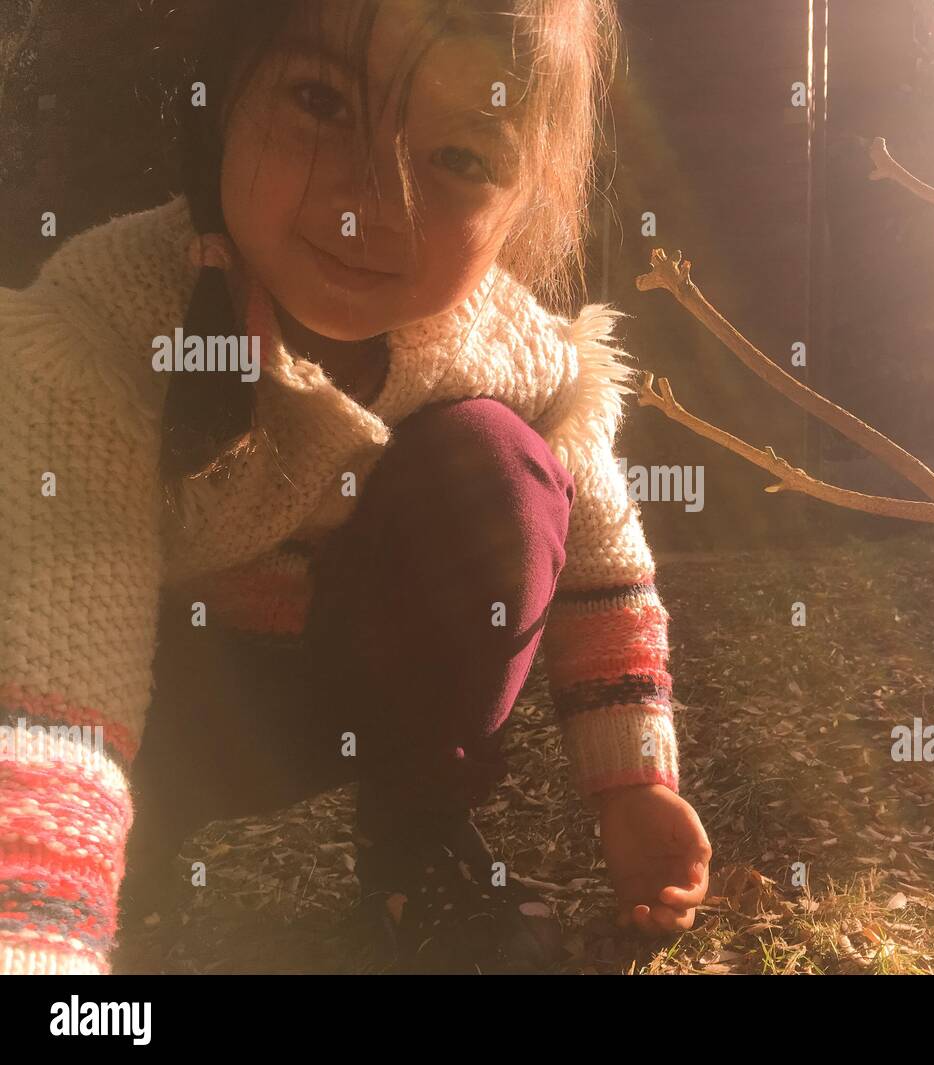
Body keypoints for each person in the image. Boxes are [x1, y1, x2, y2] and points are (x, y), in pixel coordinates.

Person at [0, 0, 711, 975]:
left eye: (461, 158)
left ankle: (416, 845)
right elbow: (54, 672)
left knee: (497, 465)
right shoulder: (108, 326)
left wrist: (633, 785)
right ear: (223, 88)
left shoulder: (505, 345)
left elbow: (602, 564)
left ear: (523, 203)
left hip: (343, 692)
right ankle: (135, 857)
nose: (370, 202)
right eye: (320, 100)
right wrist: (38, 937)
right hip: (156, 702)